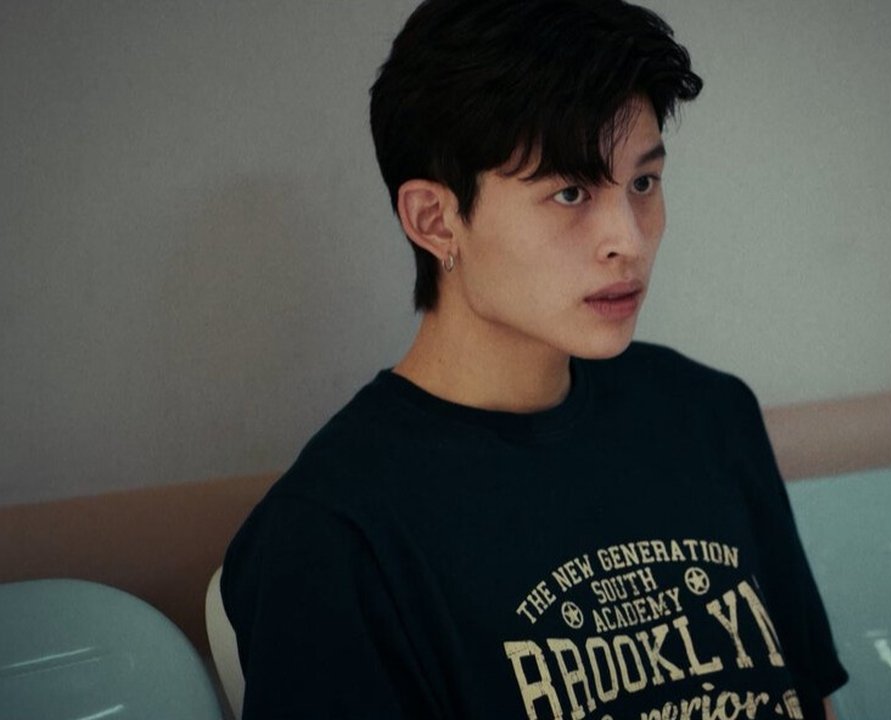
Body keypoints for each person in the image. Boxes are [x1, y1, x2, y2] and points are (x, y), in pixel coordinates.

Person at [220, 0, 849, 717]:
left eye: (643, 183)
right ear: (435, 220)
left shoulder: (708, 415)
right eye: (570, 192)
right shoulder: (333, 537)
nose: (628, 240)